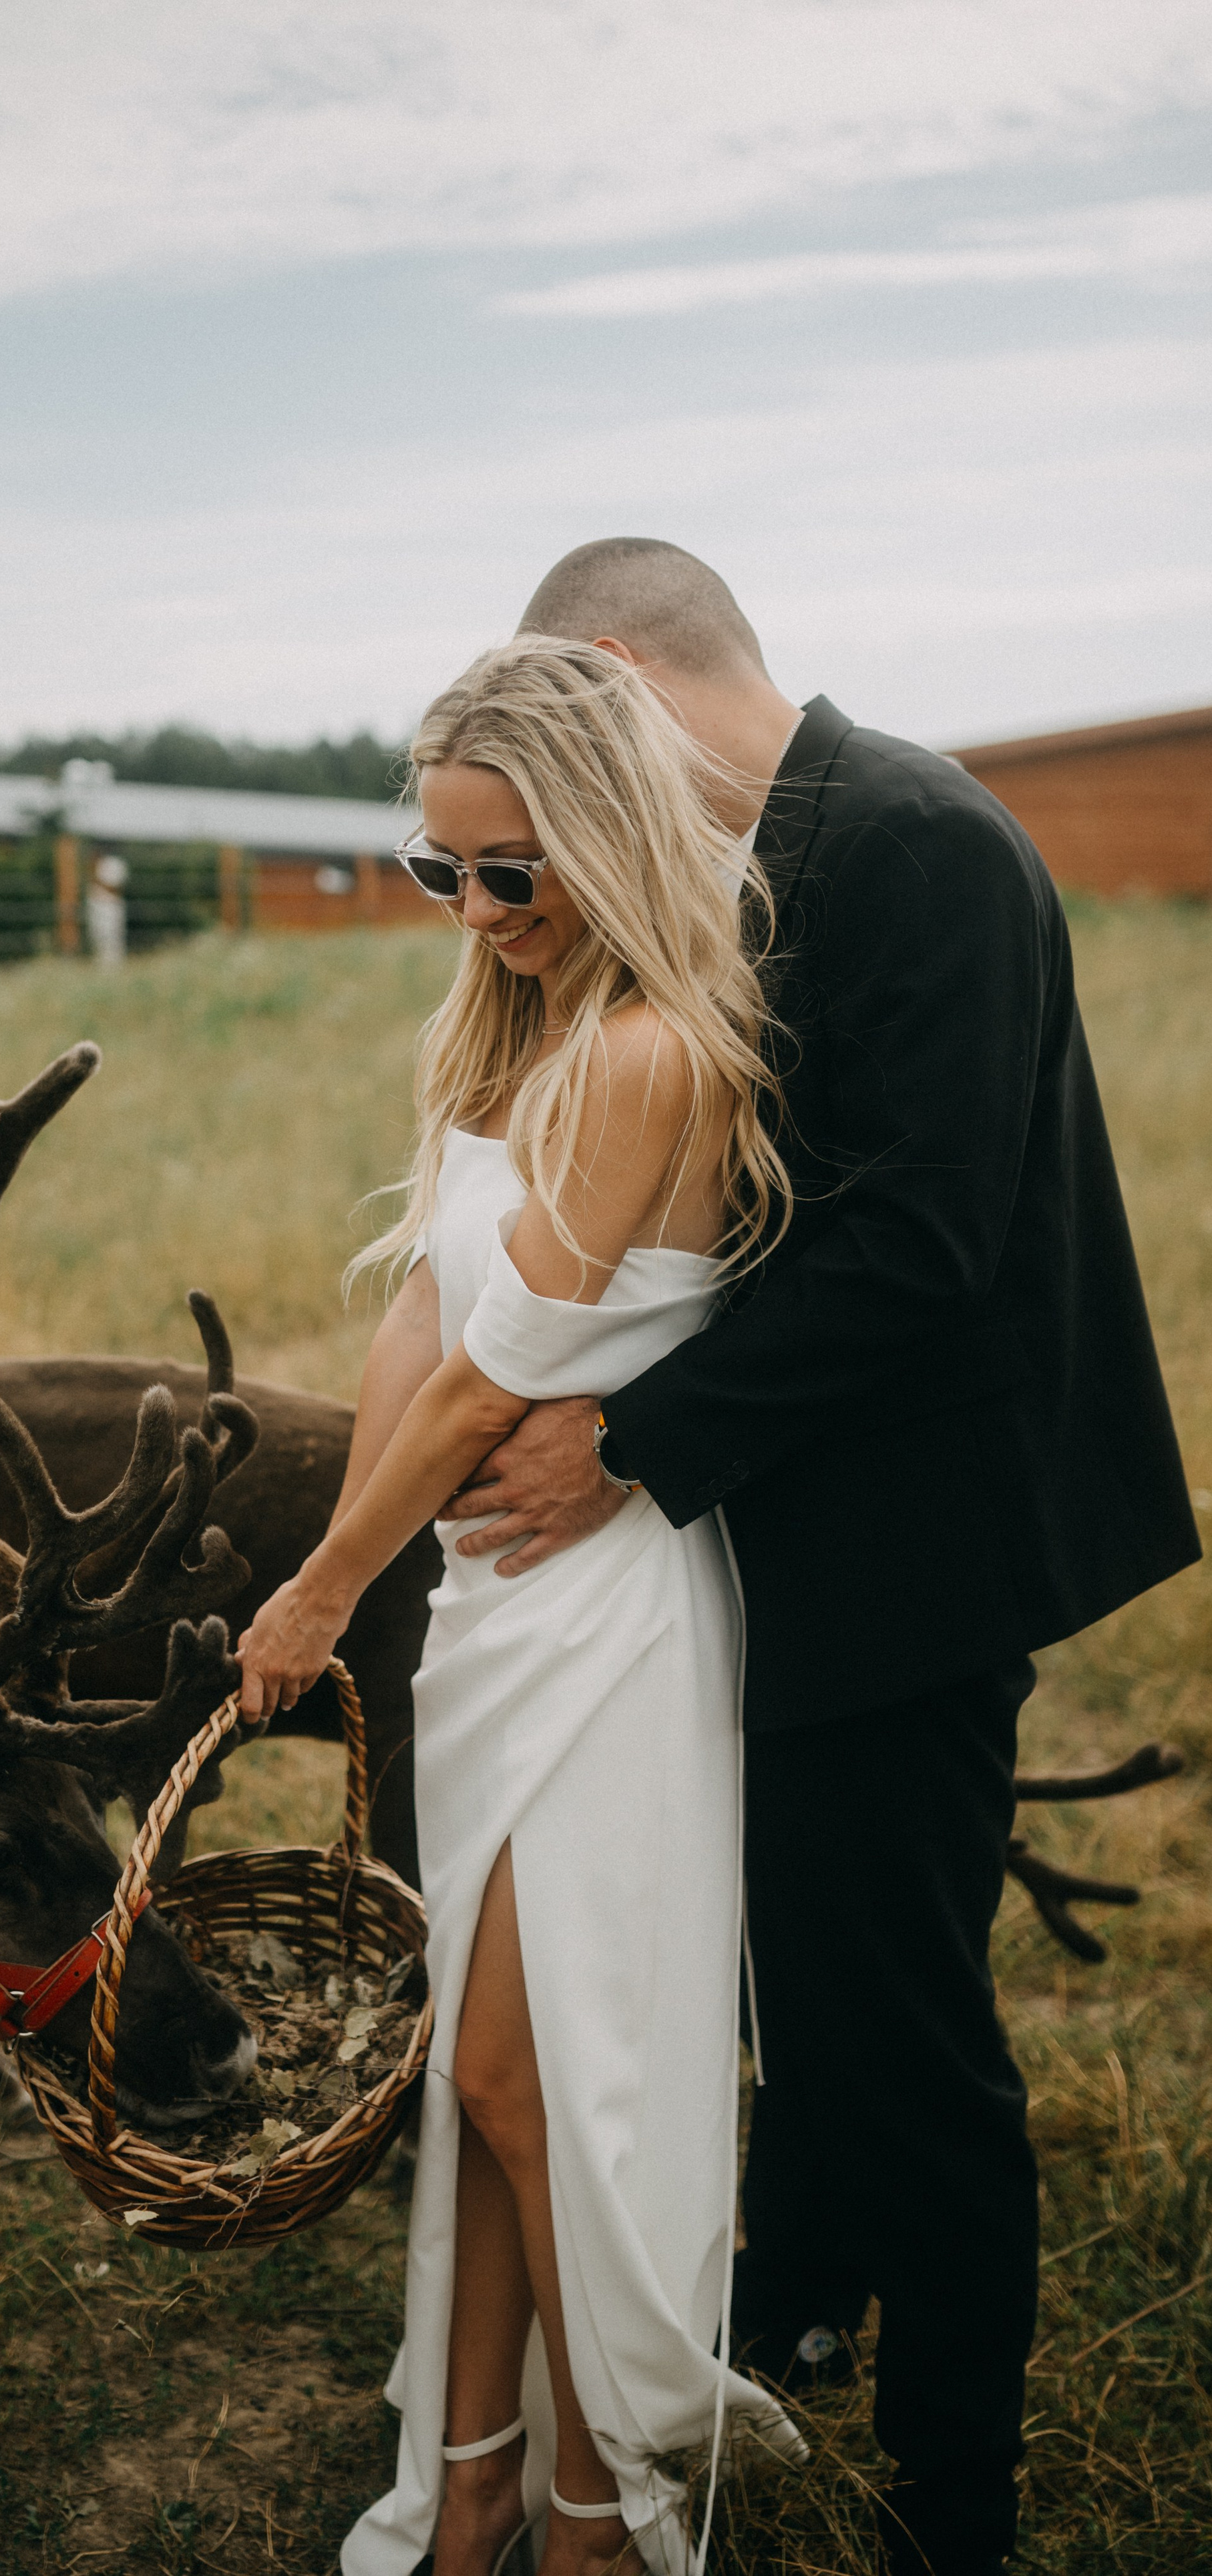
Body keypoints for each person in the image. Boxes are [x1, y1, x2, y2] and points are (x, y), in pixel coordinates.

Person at [417, 540, 1201, 2576]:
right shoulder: (766, 857)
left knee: (899, 2023)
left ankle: (958, 2494)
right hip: (783, 1534)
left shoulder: (918, 844)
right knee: (790, 1966)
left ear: (608, 674)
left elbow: (923, 1243)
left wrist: (634, 1439)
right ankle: (787, 2302)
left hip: (917, 1550)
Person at [238, 633, 804, 2576]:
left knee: (523, 2064)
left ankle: (608, 2496)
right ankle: (475, 2471)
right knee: (488, 2083)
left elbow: (494, 1379)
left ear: (608, 839)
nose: (478, 915)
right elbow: (421, 1308)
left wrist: (319, 1587)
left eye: (513, 873)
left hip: (608, 1623)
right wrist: (371, 1559)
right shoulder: (513, 1034)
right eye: (442, 872)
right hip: (493, 1617)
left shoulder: (652, 1051)